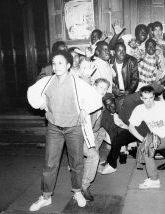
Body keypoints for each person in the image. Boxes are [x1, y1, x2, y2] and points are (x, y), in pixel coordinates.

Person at [27, 50, 102, 211]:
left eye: (60, 63)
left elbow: (95, 98)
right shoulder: (47, 82)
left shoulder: (77, 82)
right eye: (54, 63)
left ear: (68, 65)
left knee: (76, 163)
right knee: (49, 163)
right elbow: (31, 92)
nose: (57, 66)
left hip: (74, 128)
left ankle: (77, 192)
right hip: (54, 128)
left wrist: (85, 109)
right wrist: (41, 104)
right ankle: (46, 197)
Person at [81, 78, 110, 201]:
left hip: (97, 131)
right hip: (85, 133)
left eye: (105, 88)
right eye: (100, 87)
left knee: (102, 134)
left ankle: (86, 167)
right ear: (94, 86)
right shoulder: (89, 99)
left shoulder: (101, 99)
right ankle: (84, 187)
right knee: (94, 156)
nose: (103, 90)